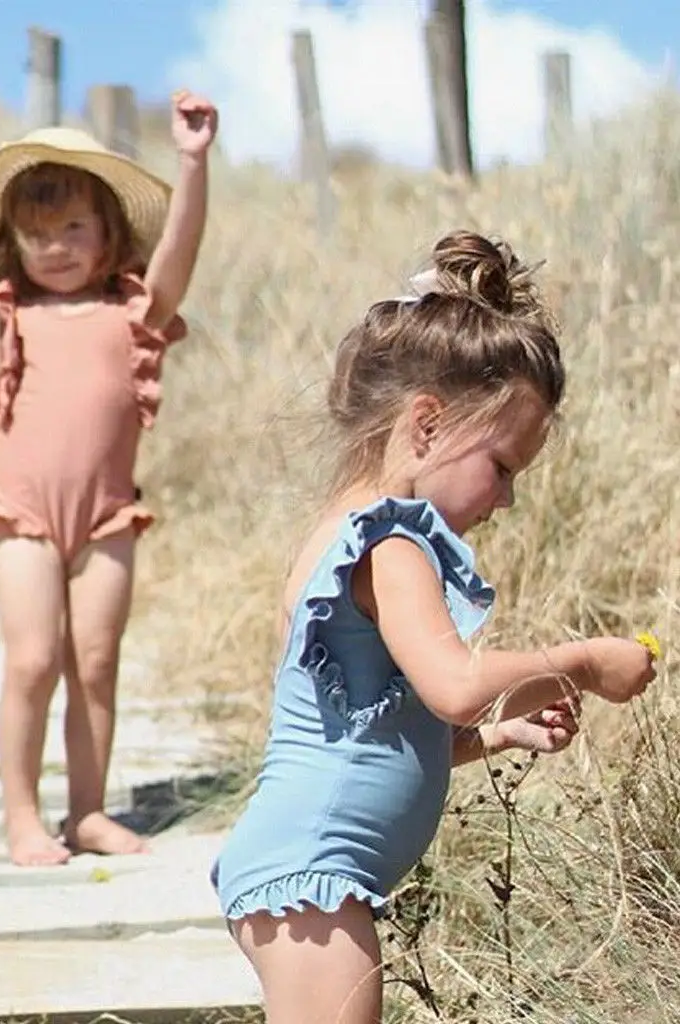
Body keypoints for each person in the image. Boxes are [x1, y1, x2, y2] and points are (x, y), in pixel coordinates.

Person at [210, 230, 658, 1024]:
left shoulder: (347, 529)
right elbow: (453, 687)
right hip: (312, 872)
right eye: (503, 468)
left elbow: (375, 734)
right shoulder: (390, 542)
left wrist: (499, 737)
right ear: (426, 427)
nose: (508, 500)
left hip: (301, 868)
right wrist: (585, 662)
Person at [0, 90, 219, 866]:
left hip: (106, 518)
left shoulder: (132, 311)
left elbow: (181, 254)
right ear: (14, 243)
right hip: (26, 518)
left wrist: (193, 162)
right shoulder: (8, 316)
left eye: (74, 228)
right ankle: (22, 816)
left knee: (96, 663)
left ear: (108, 233)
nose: (57, 247)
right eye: (38, 235)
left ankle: (89, 811)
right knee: (33, 660)